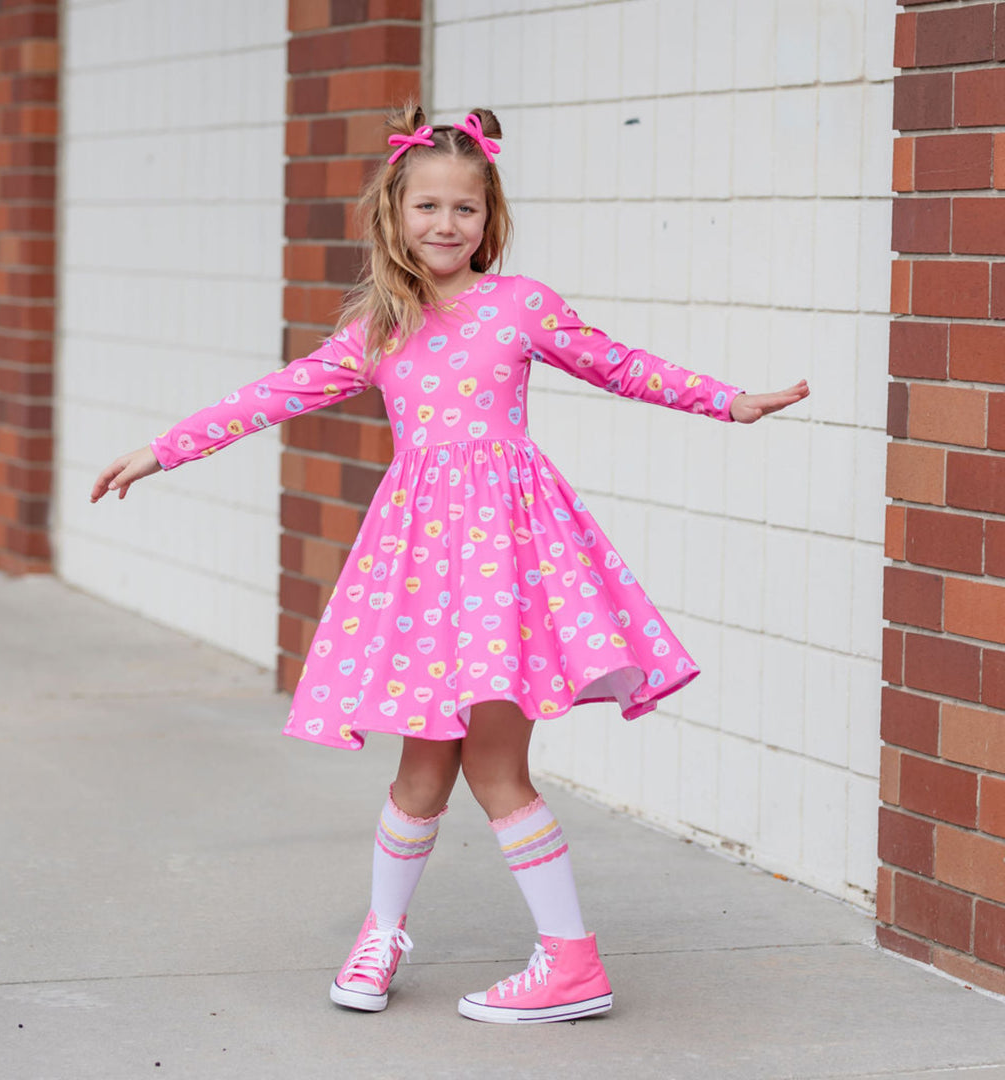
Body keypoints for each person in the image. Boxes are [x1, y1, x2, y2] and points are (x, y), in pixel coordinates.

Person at [91, 105, 809, 1025]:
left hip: (509, 567)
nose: (445, 224)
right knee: (420, 773)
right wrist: (163, 449)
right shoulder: (378, 327)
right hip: (425, 575)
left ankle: (571, 965)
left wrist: (729, 402)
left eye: (464, 209)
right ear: (393, 216)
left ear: (489, 218)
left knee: (495, 767)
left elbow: (618, 365)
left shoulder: (521, 305)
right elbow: (273, 395)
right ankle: (381, 935)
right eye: (426, 205)